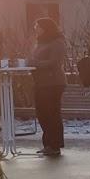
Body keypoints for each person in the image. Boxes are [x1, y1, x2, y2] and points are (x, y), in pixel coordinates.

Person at [30, 16, 67, 157]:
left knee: (52, 114)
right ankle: (47, 144)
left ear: (45, 28)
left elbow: (55, 62)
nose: (36, 29)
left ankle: (55, 145)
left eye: (38, 27)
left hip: (53, 83)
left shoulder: (57, 42)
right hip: (40, 82)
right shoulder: (41, 42)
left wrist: (35, 63)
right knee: (42, 114)